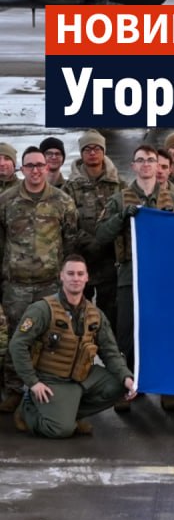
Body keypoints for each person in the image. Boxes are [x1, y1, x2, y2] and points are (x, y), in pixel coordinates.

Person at [93, 144, 174, 412]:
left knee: (167, 329)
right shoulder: (120, 200)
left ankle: (168, 387)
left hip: (167, 276)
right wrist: (121, 218)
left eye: (151, 160)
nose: (147, 164)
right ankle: (127, 386)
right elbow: (101, 236)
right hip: (131, 274)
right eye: (141, 160)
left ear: (159, 165)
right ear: (134, 166)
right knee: (127, 333)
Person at [9, 255, 136, 438]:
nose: (75, 278)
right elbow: (17, 345)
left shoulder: (95, 314)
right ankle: (28, 409)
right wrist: (33, 382)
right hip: (52, 378)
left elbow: (110, 352)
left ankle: (69, 414)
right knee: (61, 430)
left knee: (120, 385)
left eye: (80, 274)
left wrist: (126, 377)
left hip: (82, 376)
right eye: (70, 273)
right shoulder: (43, 309)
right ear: (61, 276)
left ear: (87, 277)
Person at [0, 147, 78, 414]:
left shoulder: (62, 201)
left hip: (50, 285)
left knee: (51, 338)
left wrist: (64, 279)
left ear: (47, 168)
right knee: (16, 338)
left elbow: (70, 241)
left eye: (39, 165)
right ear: (22, 169)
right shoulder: (6, 201)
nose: (35, 170)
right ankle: (13, 390)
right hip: (16, 286)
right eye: (30, 165)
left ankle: (49, 391)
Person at [60, 130, 121, 332]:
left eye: (96, 148)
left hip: (109, 262)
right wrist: (90, 242)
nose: (92, 153)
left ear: (103, 152)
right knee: (77, 315)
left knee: (109, 317)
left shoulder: (118, 185)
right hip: (80, 260)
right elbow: (67, 223)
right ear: (81, 153)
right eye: (87, 149)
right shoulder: (70, 188)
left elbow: (122, 219)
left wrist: (105, 240)